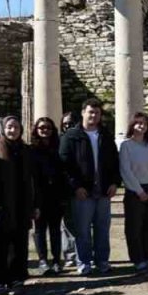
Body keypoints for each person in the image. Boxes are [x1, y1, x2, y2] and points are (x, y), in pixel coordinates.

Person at [59, 99, 120, 275]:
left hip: (103, 190)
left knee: (102, 229)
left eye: (97, 113)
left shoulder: (106, 136)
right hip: (82, 192)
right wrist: (75, 186)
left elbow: (114, 162)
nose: (94, 115)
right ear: (83, 113)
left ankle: (102, 262)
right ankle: (84, 262)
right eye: (91, 112)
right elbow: (65, 166)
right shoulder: (70, 136)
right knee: (82, 230)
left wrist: (115, 183)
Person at [0, 116, 37, 295]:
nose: (12, 130)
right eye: (9, 127)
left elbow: (33, 180)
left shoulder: (26, 151)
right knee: (0, 243)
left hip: (22, 204)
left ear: (20, 129)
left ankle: (17, 278)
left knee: (20, 242)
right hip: (2, 205)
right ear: (3, 129)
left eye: (15, 127)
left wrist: (34, 205)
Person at [119, 112, 148, 272]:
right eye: (138, 123)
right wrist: (139, 191)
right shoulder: (126, 146)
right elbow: (126, 170)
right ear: (132, 125)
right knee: (134, 226)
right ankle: (138, 259)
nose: (141, 126)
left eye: (144, 123)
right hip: (134, 191)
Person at [29, 117, 67, 275]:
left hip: (56, 194)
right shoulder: (31, 150)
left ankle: (57, 261)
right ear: (36, 130)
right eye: (42, 128)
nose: (45, 131)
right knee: (39, 229)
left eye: (48, 128)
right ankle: (43, 260)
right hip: (39, 194)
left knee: (55, 229)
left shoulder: (58, 148)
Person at [58, 111, 81, 267]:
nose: (68, 126)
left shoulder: (81, 139)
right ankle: (70, 255)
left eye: (71, 123)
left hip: (81, 187)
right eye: (65, 123)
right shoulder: (58, 140)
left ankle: (82, 254)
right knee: (66, 224)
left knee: (82, 223)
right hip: (64, 188)